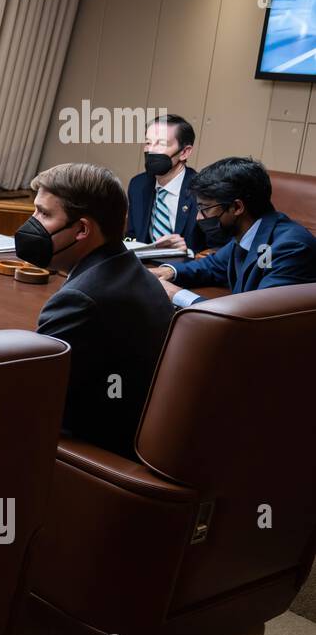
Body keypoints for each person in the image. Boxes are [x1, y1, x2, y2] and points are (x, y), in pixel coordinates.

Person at [16, 162, 173, 460]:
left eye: (44, 214)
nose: (32, 223)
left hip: (94, 453)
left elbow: (33, 398)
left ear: (82, 229)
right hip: (135, 433)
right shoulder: (133, 270)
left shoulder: (80, 298)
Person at [153, 156, 316, 306]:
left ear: (237, 207)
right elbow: (212, 266)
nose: (199, 218)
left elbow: (258, 315)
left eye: (205, 209)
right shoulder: (249, 232)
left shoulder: (292, 248)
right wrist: (168, 272)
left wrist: (177, 294)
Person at [126, 114, 209, 252]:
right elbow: (131, 235)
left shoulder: (203, 191)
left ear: (184, 152)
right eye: (148, 143)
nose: (151, 150)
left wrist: (188, 252)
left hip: (186, 270)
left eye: (162, 143)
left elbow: (216, 250)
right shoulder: (137, 185)